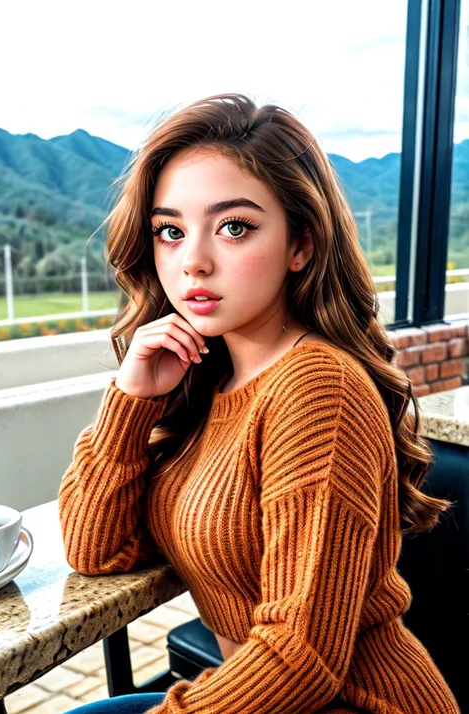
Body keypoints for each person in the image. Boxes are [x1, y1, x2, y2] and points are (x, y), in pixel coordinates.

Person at [59, 93, 460, 713]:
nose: (192, 260)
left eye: (234, 227)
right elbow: (95, 549)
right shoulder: (205, 378)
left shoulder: (318, 391)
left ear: (300, 244)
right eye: (170, 231)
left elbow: (301, 659)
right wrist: (131, 400)